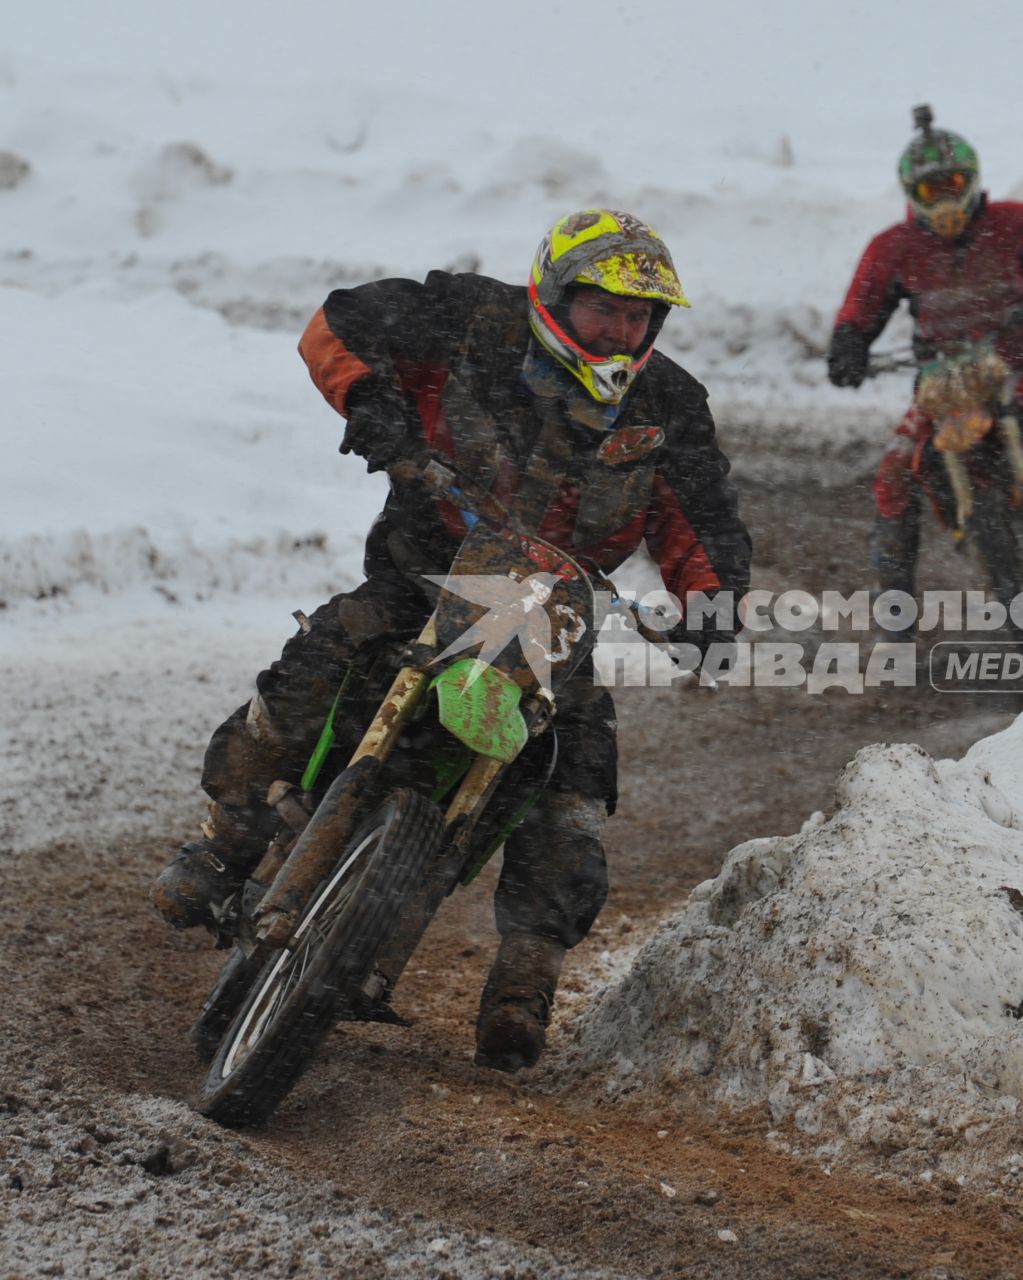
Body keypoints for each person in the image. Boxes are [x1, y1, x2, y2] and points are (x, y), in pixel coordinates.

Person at [151, 208, 751, 1072]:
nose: (623, 331)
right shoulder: (470, 321)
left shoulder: (667, 406)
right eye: (604, 310)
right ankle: (226, 842)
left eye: (640, 317)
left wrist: (712, 607)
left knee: (573, 780)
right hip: (424, 576)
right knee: (316, 663)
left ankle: (524, 979)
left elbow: (704, 521)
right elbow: (339, 325)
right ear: (556, 294)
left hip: (554, 621)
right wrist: (373, 407)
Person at [827, 105, 1023, 625]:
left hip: (1020, 372)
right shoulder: (893, 248)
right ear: (910, 195)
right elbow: (860, 309)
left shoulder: (1019, 224)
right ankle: (895, 614)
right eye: (929, 190)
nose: (945, 200)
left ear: (974, 180)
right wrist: (848, 346)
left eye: (954, 184)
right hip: (939, 389)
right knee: (894, 477)